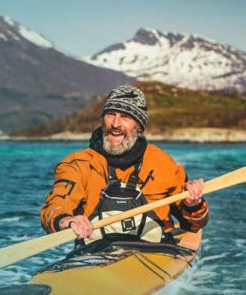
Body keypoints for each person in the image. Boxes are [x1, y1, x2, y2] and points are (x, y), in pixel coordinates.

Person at [40, 85, 209, 244]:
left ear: (140, 127)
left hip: (157, 251)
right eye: (110, 114)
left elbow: (194, 225)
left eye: (125, 117)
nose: (115, 124)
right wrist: (65, 220)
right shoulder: (78, 164)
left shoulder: (163, 163)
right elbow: (55, 206)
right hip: (95, 253)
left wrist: (193, 204)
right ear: (102, 119)